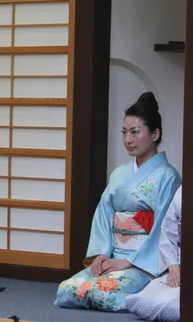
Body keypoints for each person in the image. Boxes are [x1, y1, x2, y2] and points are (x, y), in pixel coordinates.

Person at [55, 92, 181, 312]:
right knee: (68, 289)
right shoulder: (119, 174)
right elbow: (103, 214)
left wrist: (128, 262)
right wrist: (102, 254)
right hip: (113, 256)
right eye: (124, 133)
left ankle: (143, 292)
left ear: (154, 134)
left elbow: (165, 227)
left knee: (104, 292)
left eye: (135, 132)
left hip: (143, 263)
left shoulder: (168, 176)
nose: (127, 140)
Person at [125, 185, 181, 321]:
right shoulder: (183, 190)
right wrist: (173, 267)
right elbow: (168, 233)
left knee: (174, 304)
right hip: (180, 265)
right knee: (141, 300)